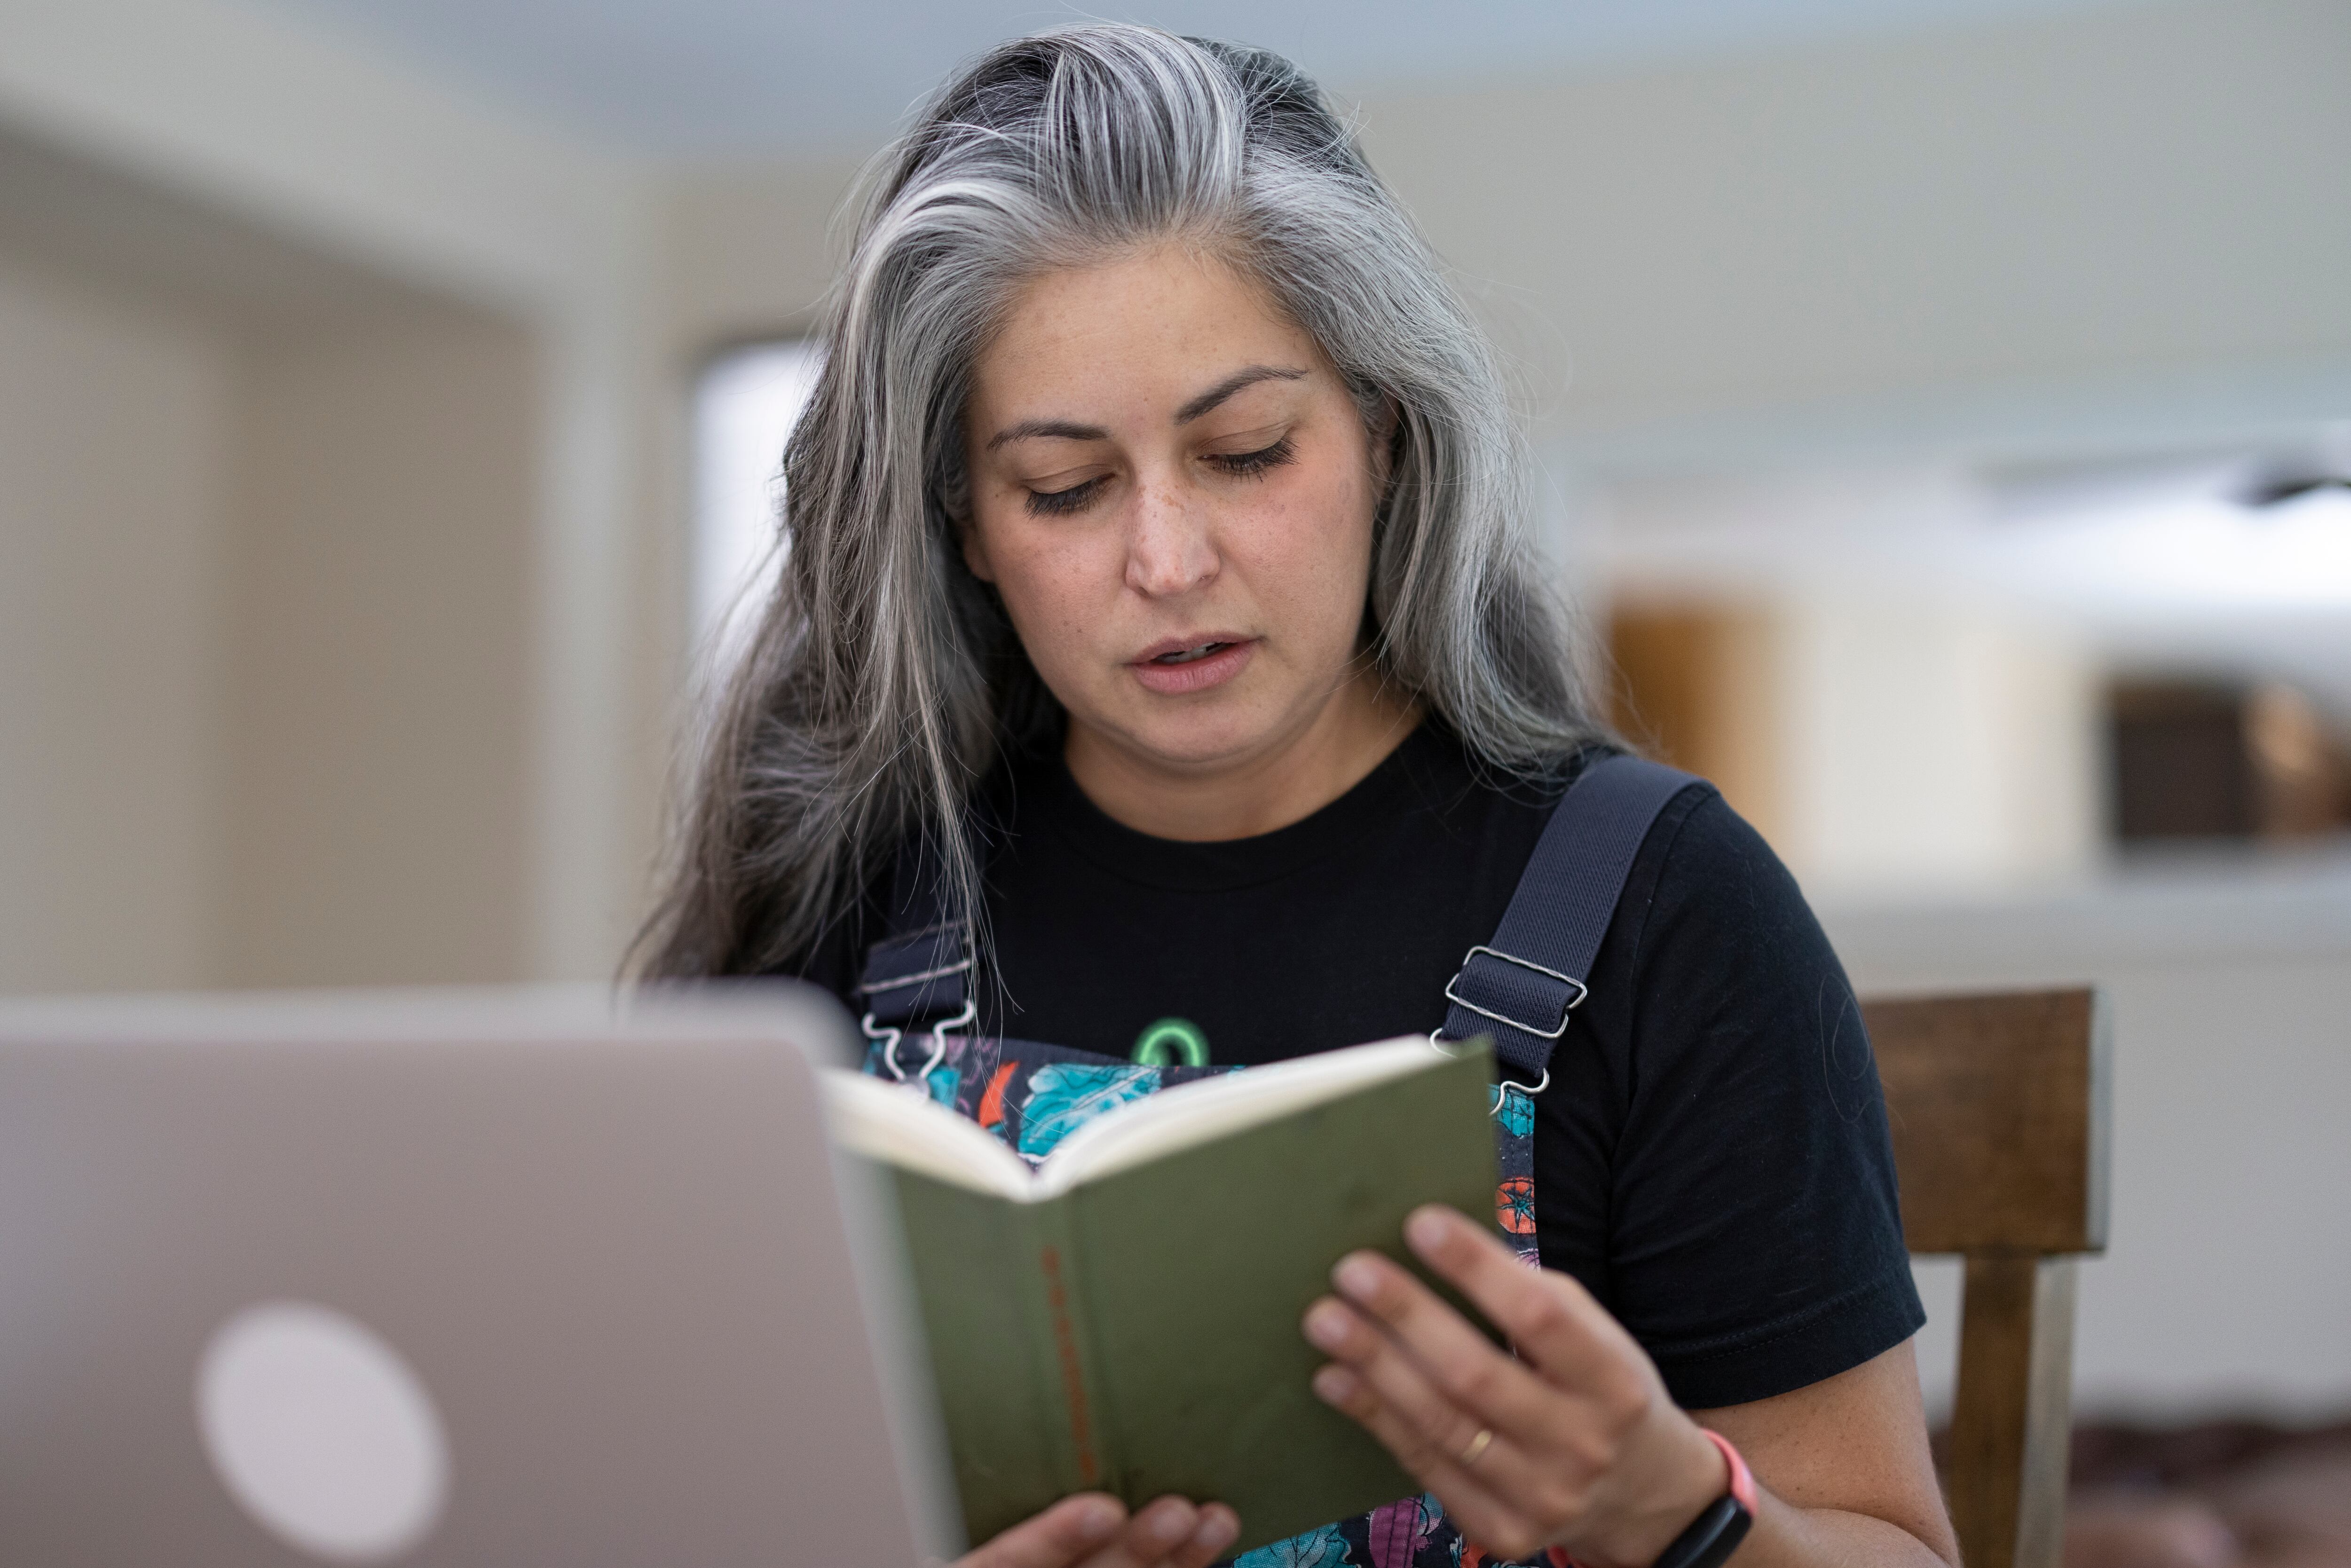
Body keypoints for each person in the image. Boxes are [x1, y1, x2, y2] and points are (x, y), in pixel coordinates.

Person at [640, 24, 1959, 1568]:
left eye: (1249, 452)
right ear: (967, 527)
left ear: (1386, 434)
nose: (1170, 560)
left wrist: (1676, 1516)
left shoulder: (1665, 908)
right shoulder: (846, 906)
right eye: (1065, 488)